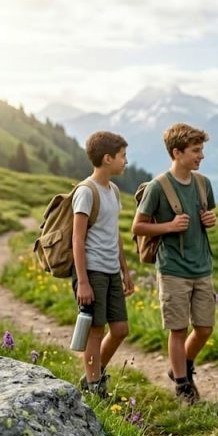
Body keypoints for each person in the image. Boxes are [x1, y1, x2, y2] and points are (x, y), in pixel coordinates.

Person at [131, 123, 217, 405]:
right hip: (172, 269)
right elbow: (138, 227)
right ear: (177, 152)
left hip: (202, 266)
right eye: (195, 150)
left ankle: (181, 365)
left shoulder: (204, 183)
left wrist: (210, 220)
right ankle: (182, 385)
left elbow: (208, 215)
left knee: (204, 328)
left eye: (201, 150)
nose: (201, 156)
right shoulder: (158, 187)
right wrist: (169, 226)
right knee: (178, 329)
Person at [72, 131, 134, 398]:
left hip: (111, 269)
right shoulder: (86, 192)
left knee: (120, 329)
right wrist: (83, 281)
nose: (126, 161)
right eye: (122, 156)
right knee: (95, 331)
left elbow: (114, 233)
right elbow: (77, 238)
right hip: (93, 271)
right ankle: (95, 386)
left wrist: (125, 270)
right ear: (107, 158)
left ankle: (92, 375)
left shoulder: (114, 190)